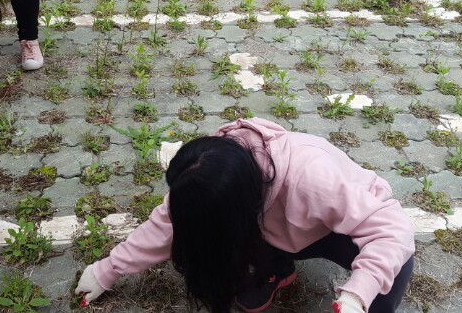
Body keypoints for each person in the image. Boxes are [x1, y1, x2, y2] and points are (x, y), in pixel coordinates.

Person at [74, 118, 415, 313]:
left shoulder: (313, 178)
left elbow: (393, 232)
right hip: (278, 225)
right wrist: (106, 271)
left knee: (384, 284)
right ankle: (278, 271)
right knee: (228, 238)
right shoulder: (207, 175)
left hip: (342, 230)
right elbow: (165, 226)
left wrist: (358, 293)